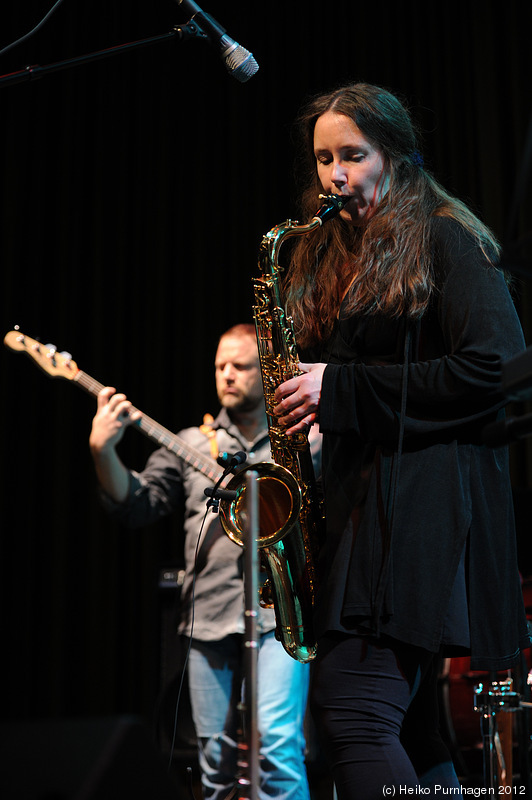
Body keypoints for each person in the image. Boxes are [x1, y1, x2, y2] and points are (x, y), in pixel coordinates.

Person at [271, 82, 531, 798]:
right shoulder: (335, 251)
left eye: (353, 155)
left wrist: (343, 390)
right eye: (323, 158)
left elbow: (498, 364)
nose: (336, 175)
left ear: (396, 155)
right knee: (413, 734)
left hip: (423, 506)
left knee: (353, 711)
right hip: (366, 505)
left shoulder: (443, 235)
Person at [89, 323, 319, 800]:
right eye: (220, 367)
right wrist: (102, 450)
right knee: (212, 763)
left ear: (268, 370)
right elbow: (137, 504)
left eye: (240, 366)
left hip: (281, 620)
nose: (227, 375)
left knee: (277, 749)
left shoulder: (304, 440)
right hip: (207, 618)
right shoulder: (192, 442)